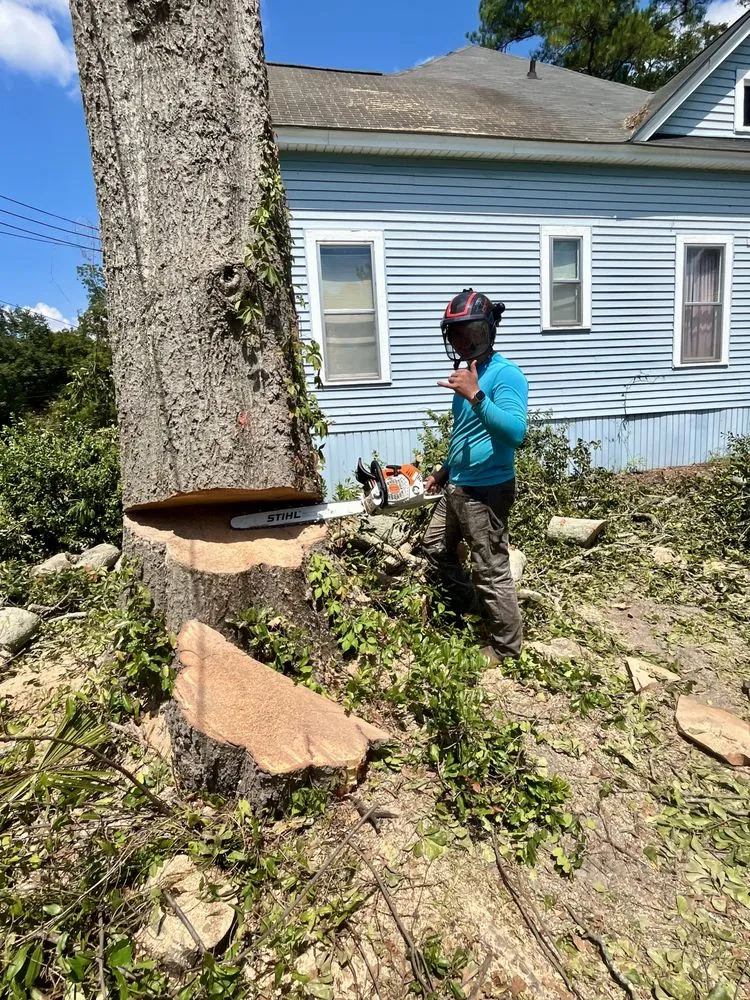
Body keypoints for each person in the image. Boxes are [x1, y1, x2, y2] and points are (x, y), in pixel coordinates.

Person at [422, 288, 528, 663]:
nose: (462, 340)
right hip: (459, 485)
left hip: (487, 490)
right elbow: (466, 434)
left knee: (491, 568)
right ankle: (468, 607)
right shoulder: (468, 375)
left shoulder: (505, 376)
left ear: (487, 331)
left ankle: (506, 648)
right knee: (435, 546)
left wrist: (477, 396)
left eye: (469, 332)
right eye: (455, 333)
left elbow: (515, 433)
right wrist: (445, 469)